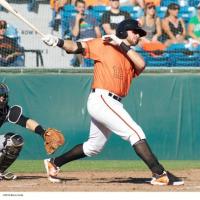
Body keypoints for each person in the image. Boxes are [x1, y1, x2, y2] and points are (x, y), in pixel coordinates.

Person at [41, 19, 184, 186]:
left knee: (94, 147)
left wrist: (121, 44)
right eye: (135, 31)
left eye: (140, 33)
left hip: (113, 102)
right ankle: (159, 173)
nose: (138, 35)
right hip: (102, 98)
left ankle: (54, 163)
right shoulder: (103, 44)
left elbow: (142, 64)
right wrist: (56, 41)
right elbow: (74, 47)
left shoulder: (130, 55)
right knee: (135, 133)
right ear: (123, 31)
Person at [0, 83, 63, 180]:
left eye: (3, 95)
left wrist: (42, 133)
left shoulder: (5, 111)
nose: (2, 98)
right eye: (0, 96)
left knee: (15, 140)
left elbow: (26, 122)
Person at [69, 0, 102, 67]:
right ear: (76, 8)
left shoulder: (91, 17)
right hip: (81, 41)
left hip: (92, 41)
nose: (82, 9)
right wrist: (77, 20)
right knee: (77, 48)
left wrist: (98, 42)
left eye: (83, 7)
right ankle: (82, 66)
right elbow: (75, 34)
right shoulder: (73, 19)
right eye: (79, 7)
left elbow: (98, 34)